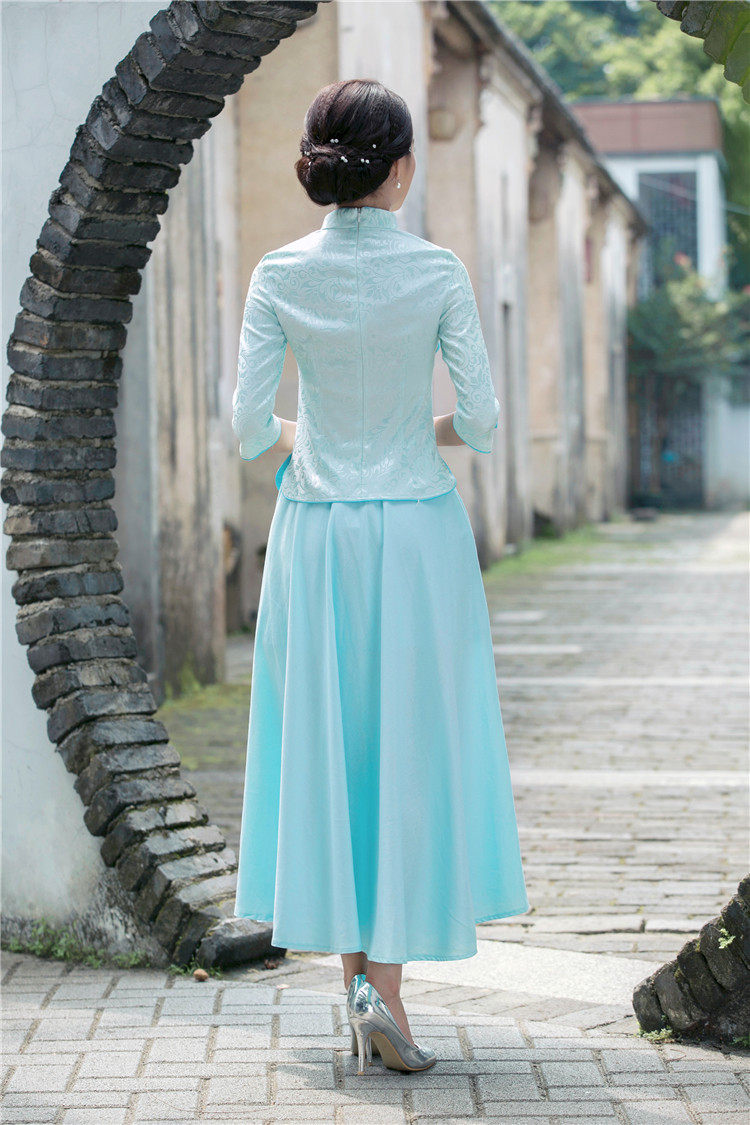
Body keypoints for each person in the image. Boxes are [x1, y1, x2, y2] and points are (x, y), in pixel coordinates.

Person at [232, 78, 529, 1073]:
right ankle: (385, 990)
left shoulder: (279, 272)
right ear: (401, 169)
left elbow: (246, 429)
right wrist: (413, 433)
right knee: (405, 746)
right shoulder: (437, 271)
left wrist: (312, 443)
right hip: (416, 533)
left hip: (315, 534)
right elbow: (482, 423)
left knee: (330, 740)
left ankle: (357, 984)